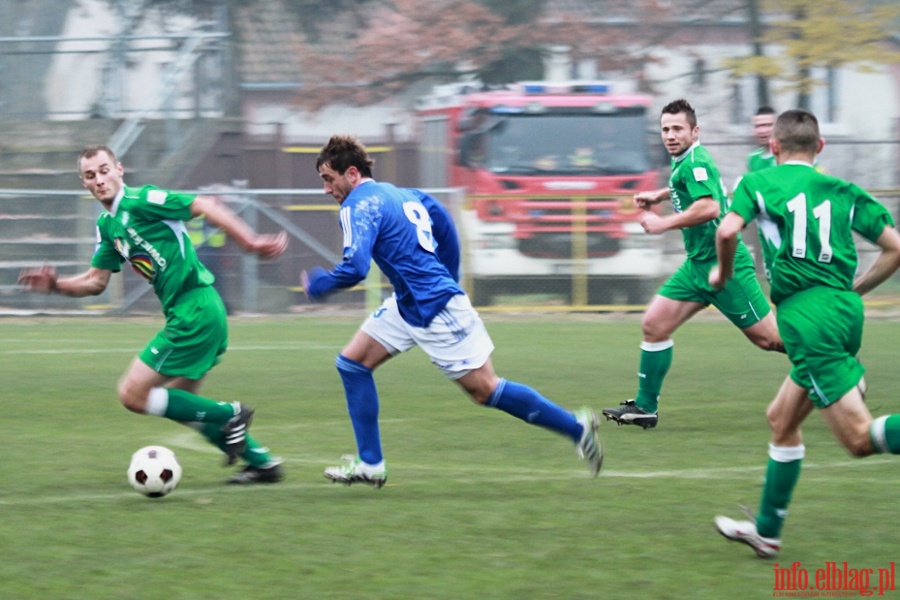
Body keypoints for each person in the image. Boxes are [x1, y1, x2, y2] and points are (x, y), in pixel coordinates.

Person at [302, 134, 602, 488]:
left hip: (435, 308)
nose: (326, 189)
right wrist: (450, 273)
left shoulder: (357, 205)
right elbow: (442, 219)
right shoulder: (402, 194)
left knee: (485, 390)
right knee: (352, 364)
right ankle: (371, 464)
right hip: (410, 303)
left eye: (328, 179)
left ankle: (575, 426)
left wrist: (319, 284)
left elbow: (355, 268)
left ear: (351, 173)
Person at [18, 145, 289, 484]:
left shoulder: (141, 200)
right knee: (185, 406)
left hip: (196, 309)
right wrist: (56, 284)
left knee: (132, 394)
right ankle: (262, 464)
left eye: (104, 170)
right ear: (84, 183)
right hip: (194, 311)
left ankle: (230, 414)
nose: (99, 180)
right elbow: (95, 281)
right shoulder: (108, 225)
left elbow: (202, 205)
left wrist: (248, 242)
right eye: (91, 175)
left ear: (119, 169)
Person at [711, 109, 900, 558]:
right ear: (821, 148)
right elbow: (895, 248)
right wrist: (855, 289)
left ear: (772, 148)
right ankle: (768, 533)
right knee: (781, 419)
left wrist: (721, 274)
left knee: (856, 440)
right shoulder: (844, 191)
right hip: (843, 311)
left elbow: (726, 229)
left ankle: (769, 531)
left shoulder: (759, 183)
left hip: (806, 319)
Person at [602, 99, 783, 430]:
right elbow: (686, 186)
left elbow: (710, 207)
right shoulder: (684, 161)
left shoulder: (696, 161)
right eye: (665, 129)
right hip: (697, 266)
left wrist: (662, 223)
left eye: (677, 129)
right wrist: (658, 196)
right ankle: (645, 406)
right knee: (654, 324)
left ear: (694, 131)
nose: (670, 135)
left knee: (770, 340)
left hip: (725, 267)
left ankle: (835, 359)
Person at [747, 106, 777, 173]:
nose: (762, 131)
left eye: (768, 125)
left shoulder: (786, 156)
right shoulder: (753, 158)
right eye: (757, 126)